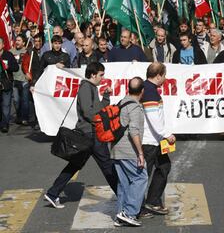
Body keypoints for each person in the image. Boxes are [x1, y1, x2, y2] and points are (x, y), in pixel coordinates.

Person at [44, 62, 118, 209]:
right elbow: (88, 111)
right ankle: (124, 195)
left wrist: (106, 96)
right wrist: (100, 120)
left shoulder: (92, 88)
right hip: (91, 134)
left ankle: (53, 193)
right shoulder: (86, 87)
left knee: (75, 165)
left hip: (90, 133)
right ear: (93, 74)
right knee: (107, 165)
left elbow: (98, 109)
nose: (102, 78)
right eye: (101, 75)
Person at [111, 77, 147, 227]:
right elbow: (134, 131)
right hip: (128, 150)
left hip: (115, 149)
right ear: (142, 91)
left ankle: (120, 214)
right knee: (141, 178)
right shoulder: (135, 107)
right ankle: (130, 212)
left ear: (128, 89)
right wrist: (140, 153)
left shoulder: (122, 102)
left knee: (124, 182)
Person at [141, 63, 176, 216]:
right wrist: (167, 134)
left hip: (155, 140)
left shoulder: (148, 88)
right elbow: (153, 117)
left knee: (164, 166)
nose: (165, 78)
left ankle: (153, 200)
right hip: (149, 140)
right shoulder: (149, 92)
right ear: (159, 75)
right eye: (164, 74)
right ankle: (139, 207)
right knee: (144, 175)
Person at [10, 34, 30, 125]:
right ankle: (19, 116)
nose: (17, 42)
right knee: (16, 100)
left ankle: (25, 118)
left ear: (24, 43)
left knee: (25, 100)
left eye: (19, 40)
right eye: (16, 40)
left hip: (24, 79)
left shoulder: (27, 52)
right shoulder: (11, 51)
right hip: (14, 79)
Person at [0, 38, 19, 133]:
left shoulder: (8, 55)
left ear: (3, 45)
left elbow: (16, 67)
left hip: (6, 83)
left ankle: (5, 124)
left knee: (6, 105)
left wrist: (8, 67)